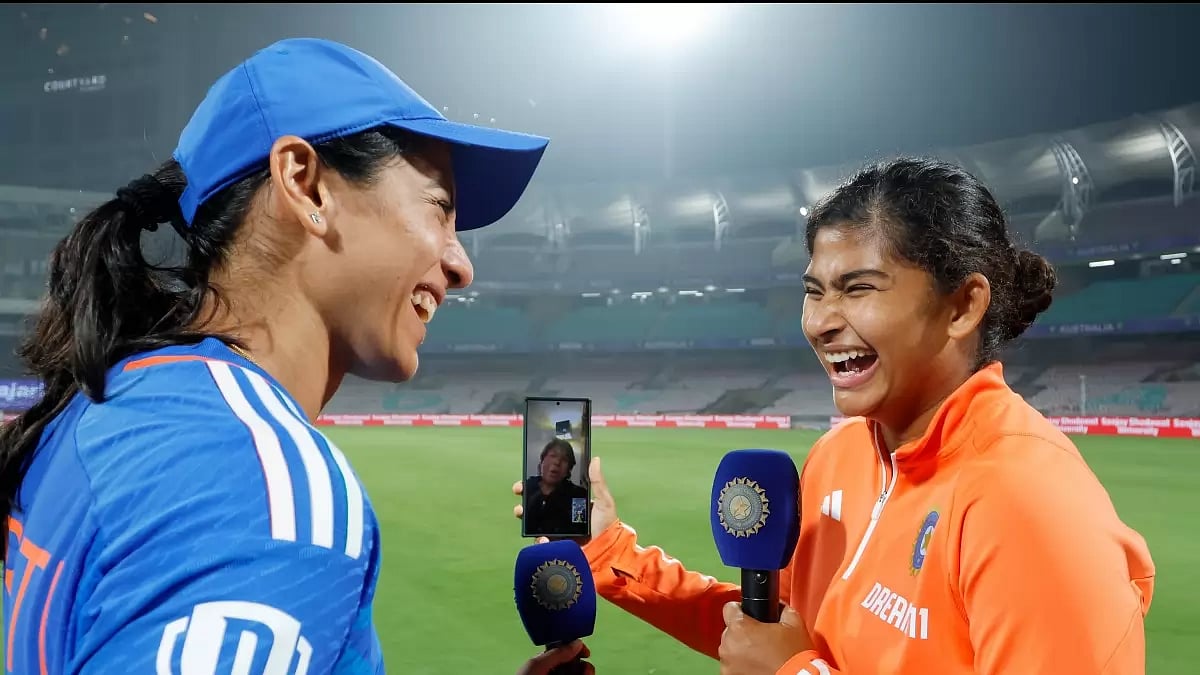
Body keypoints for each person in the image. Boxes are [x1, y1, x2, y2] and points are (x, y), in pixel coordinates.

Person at [0, 37, 591, 674]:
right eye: (440, 207)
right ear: (306, 186)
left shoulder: (103, 404)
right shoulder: (263, 483)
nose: (461, 265)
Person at [513, 158, 1155, 674]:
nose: (820, 322)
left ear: (962, 306)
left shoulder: (1028, 502)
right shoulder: (838, 456)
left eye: (858, 288)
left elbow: (786, 662)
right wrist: (608, 550)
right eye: (813, 291)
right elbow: (763, 634)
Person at [523, 438, 589, 537]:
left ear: (569, 469)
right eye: (553, 456)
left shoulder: (578, 496)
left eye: (564, 459)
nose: (557, 462)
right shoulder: (528, 487)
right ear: (542, 461)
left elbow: (579, 528)